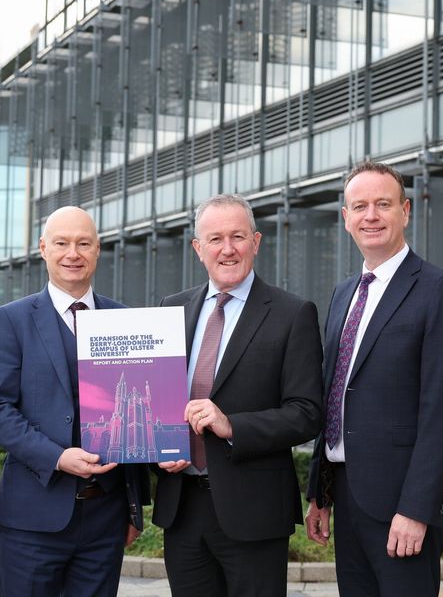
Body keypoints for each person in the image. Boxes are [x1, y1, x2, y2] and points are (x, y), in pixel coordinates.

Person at [304, 161, 443, 596]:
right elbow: (335, 391)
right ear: (345, 218)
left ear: (406, 211)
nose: (371, 216)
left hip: (402, 503)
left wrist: (417, 509)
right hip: (347, 494)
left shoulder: (439, 290)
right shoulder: (344, 293)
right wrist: (320, 492)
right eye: (359, 206)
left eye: (383, 204)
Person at [153, 194, 324, 597]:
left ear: (257, 241)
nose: (227, 249)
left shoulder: (292, 313)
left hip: (255, 513)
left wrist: (233, 425)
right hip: (183, 509)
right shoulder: (170, 311)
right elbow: (154, 401)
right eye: (215, 239)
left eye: (237, 237)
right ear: (198, 248)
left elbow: (307, 413)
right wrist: (157, 450)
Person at [0, 206, 151, 597]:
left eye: (83, 243)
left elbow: (139, 410)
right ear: (43, 248)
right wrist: (57, 457)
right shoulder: (12, 320)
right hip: (32, 519)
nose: (73, 253)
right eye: (62, 243)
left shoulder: (125, 319)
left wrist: (133, 507)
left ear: (97, 250)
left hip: (105, 517)